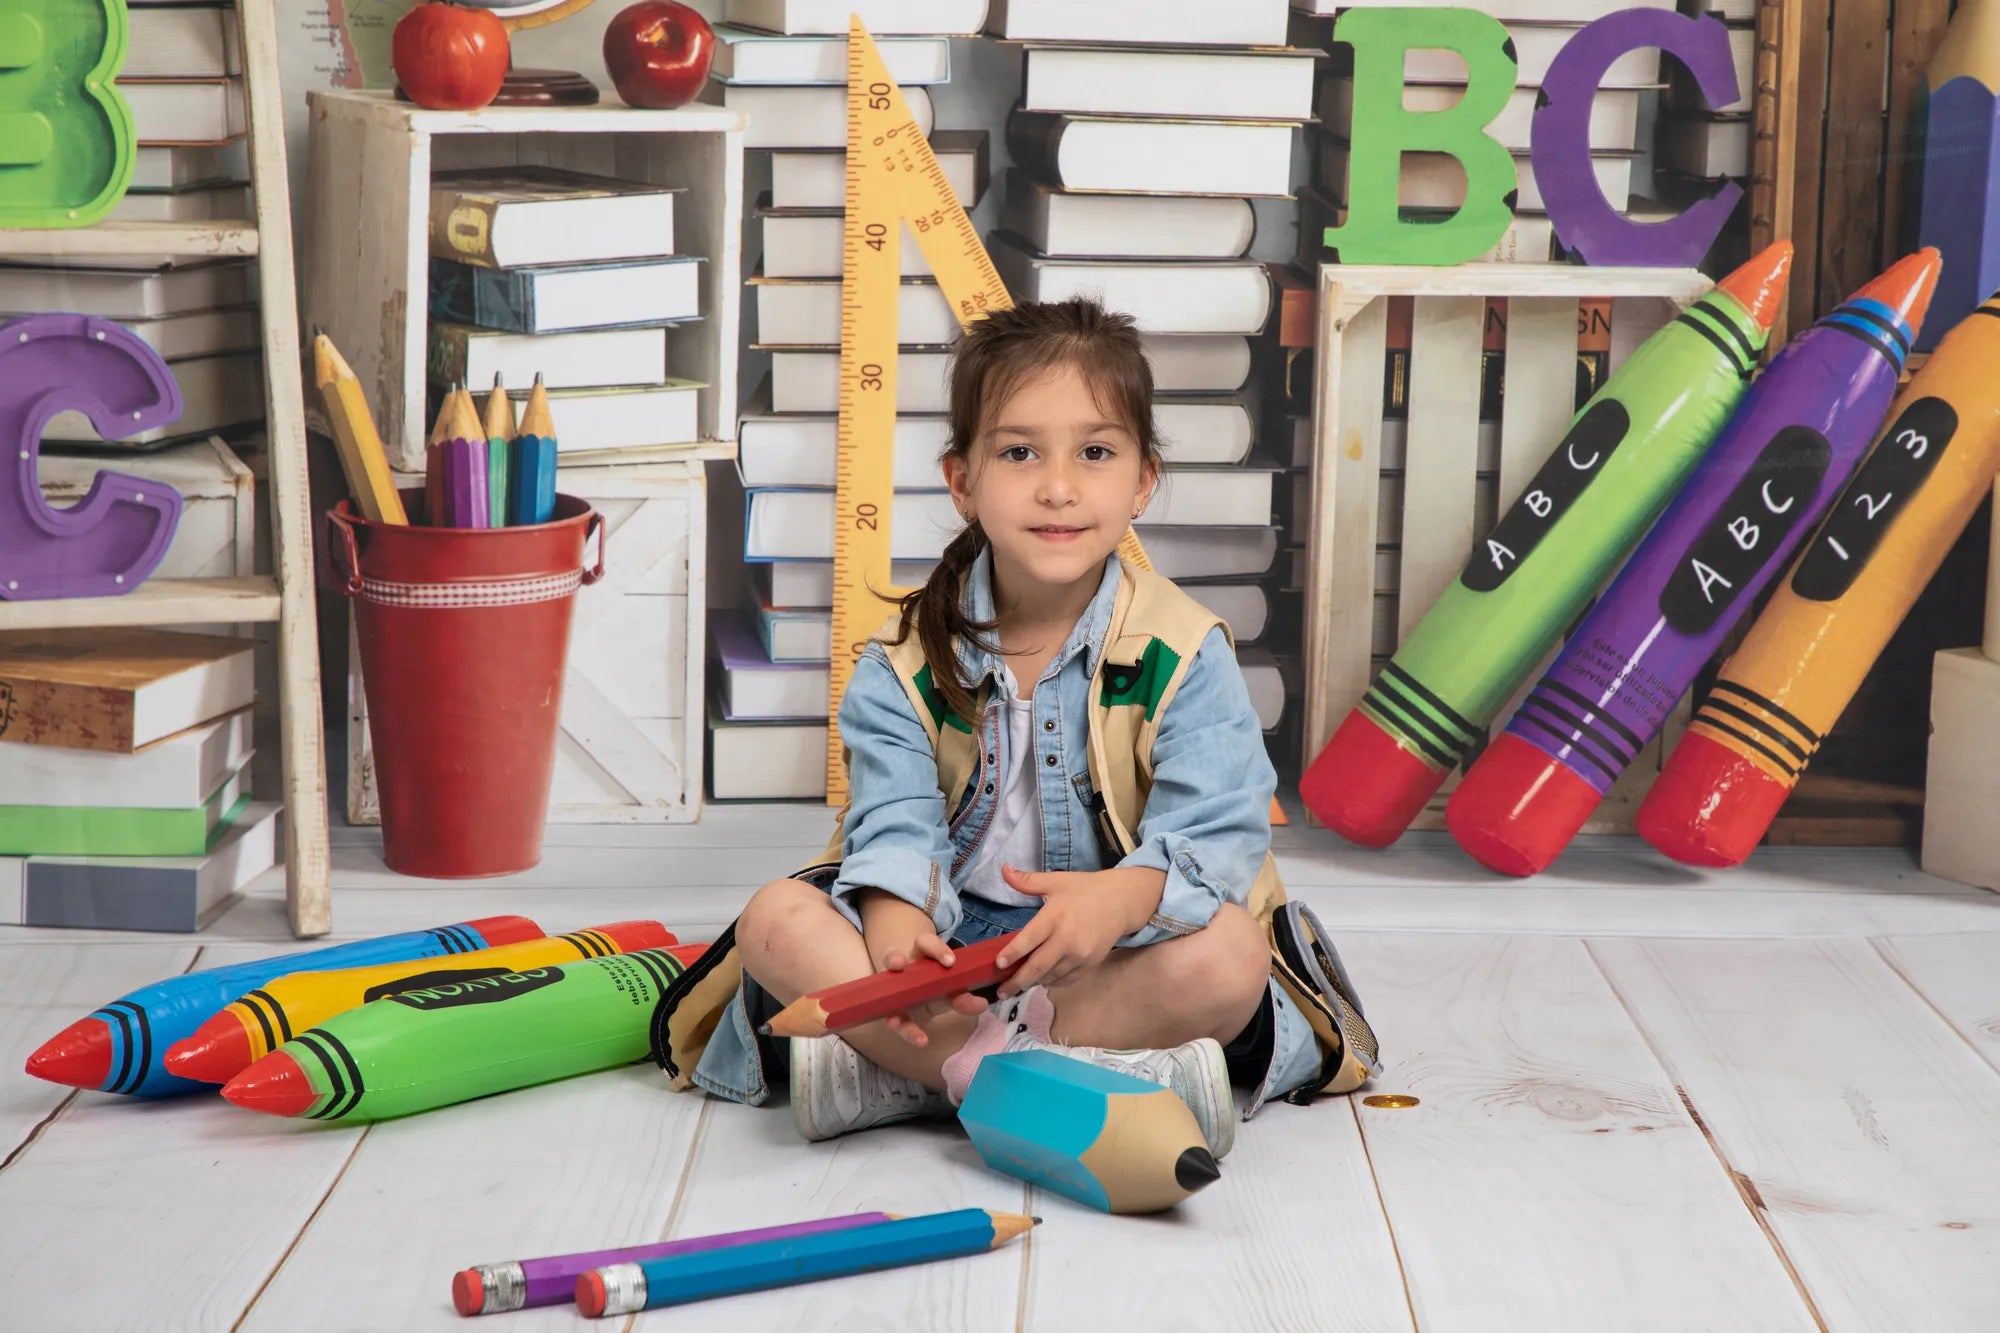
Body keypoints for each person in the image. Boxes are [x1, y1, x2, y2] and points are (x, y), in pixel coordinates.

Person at [690, 298, 1313, 1156]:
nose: (1058, 486)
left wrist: (1121, 898)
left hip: (1106, 954)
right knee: (773, 919)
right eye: (1019, 452)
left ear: (1142, 481)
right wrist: (895, 918)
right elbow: (892, 820)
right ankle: (1055, 1074)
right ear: (963, 482)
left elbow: (1217, 830)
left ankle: (908, 1075)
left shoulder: (1184, 649)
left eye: (1095, 453)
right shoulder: (901, 661)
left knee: (1231, 956)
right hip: (947, 957)